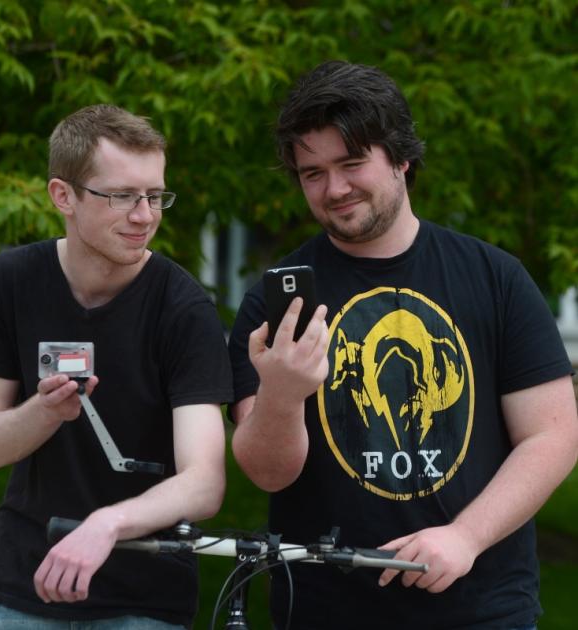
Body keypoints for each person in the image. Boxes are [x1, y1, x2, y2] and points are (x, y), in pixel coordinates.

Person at [228, 61, 578, 629]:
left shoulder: (495, 278)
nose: (334, 189)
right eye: (312, 172)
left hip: (483, 610)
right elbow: (268, 475)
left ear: (401, 157)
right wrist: (284, 394)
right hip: (327, 612)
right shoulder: (277, 304)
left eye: (351, 163)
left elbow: (554, 434)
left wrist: (465, 536)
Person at [0, 104, 233, 629]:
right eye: (122, 196)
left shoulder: (184, 309)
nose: (144, 215)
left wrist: (107, 524)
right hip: (24, 588)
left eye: (155, 196)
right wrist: (42, 413)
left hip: (144, 599)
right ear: (63, 196)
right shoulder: (10, 282)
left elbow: (204, 483)